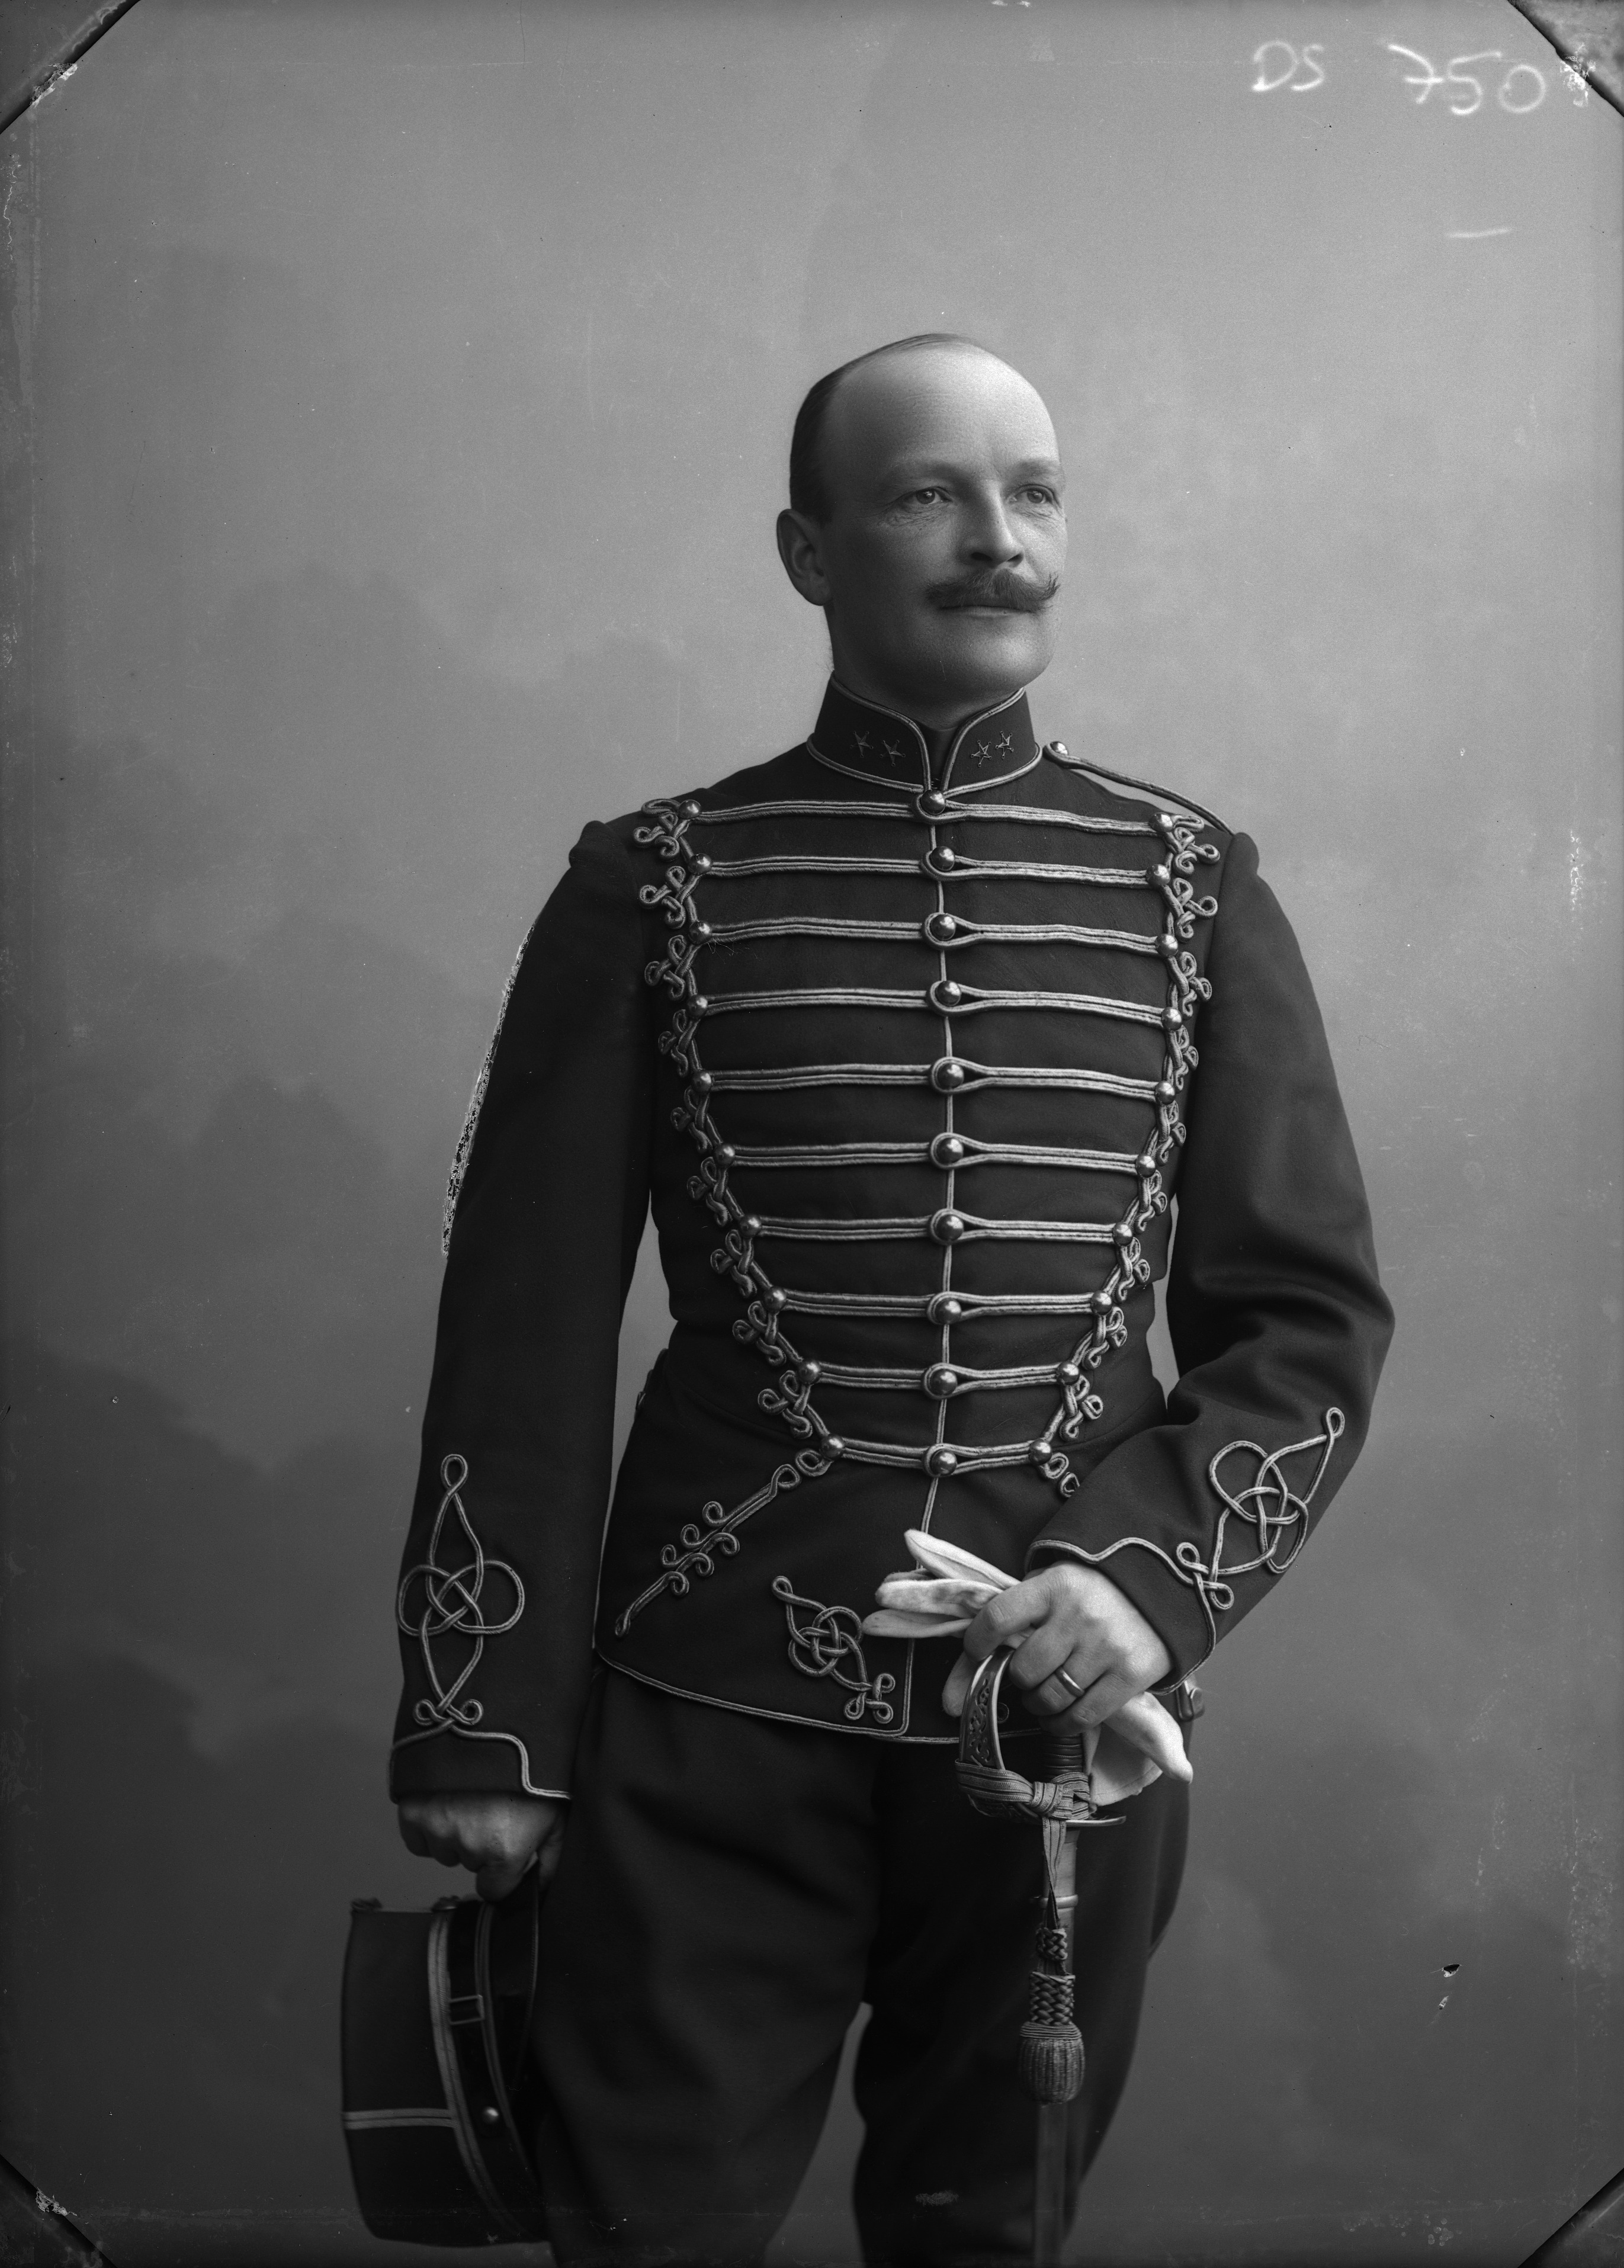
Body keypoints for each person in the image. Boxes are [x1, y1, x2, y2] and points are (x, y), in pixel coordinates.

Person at [391, 333, 1393, 2266]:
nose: (1000, 540)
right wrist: (481, 1728)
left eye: (1035, 495)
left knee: (983, 2240)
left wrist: (1142, 1589)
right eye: (932, 494)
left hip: (1062, 1712)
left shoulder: (1193, 886)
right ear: (807, 551)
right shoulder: (650, 885)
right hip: (702, 1708)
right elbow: (518, 1333)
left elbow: (1307, 1321)